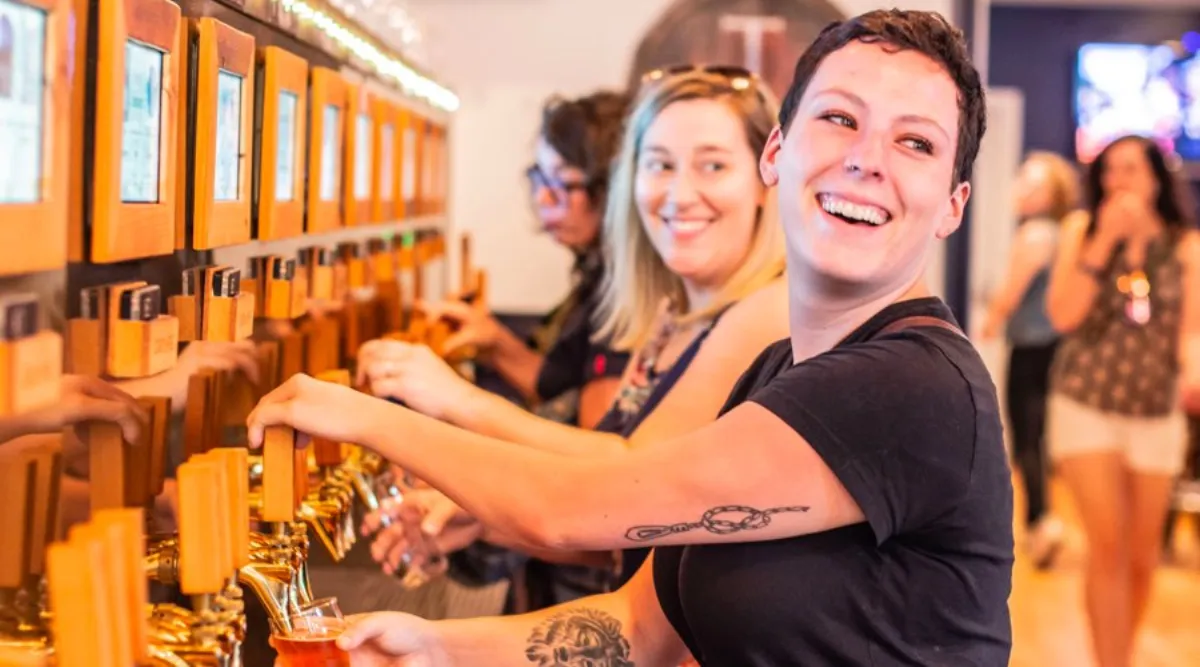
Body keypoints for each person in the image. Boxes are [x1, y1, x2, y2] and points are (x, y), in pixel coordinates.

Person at [249, 9, 1012, 665]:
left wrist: (366, 414)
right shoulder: (782, 372)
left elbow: (567, 510)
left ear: (952, 202)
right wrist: (439, 644)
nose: (865, 159)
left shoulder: (913, 386)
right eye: (840, 117)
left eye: (916, 143)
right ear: (777, 153)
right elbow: (637, 627)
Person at [356, 66, 789, 599]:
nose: (679, 194)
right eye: (659, 165)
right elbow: (626, 527)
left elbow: (633, 473)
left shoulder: (767, 311)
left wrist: (450, 402)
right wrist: (481, 517)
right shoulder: (671, 311)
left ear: (768, 176)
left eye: (713, 166)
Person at [1044, 134, 1199, 667]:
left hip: (1156, 412)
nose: (1118, 181)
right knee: (1106, 550)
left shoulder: (1186, 246)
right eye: (1109, 170)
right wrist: (1105, 243)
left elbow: (1192, 332)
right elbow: (1063, 315)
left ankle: (1120, 654)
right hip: (1085, 403)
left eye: (1131, 169)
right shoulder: (1080, 231)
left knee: (1141, 558)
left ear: (1157, 178)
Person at [425, 91, 633, 431]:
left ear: (612, 188)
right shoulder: (598, 271)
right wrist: (494, 342)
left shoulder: (627, 291)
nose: (543, 197)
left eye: (562, 182)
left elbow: (596, 442)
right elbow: (554, 384)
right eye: (540, 177)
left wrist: (450, 398)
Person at [979, 150, 1080, 568]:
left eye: (1033, 183)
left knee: (1027, 436)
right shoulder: (1058, 233)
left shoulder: (1036, 235)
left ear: (1052, 194)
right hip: (1051, 347)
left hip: (1031, 347)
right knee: (1035, 435)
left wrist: (991, 318)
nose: (1021, 187)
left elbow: (1011, 292)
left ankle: (1041, 522)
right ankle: (1043, 520)